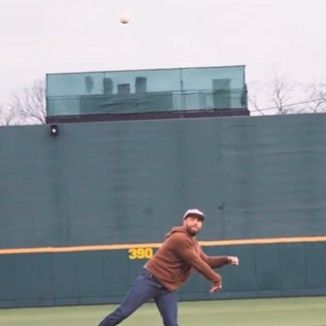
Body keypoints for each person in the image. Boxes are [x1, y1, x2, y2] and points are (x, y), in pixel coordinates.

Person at [98, 208, 239, 326]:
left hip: (166, 289)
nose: (196, 222)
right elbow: (198, 264)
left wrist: (226, 260)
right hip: (150, 281)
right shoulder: (179, 238)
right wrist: (216, 279)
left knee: (171, 323)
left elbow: (206, 261)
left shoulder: (193, 243)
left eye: (199, 220)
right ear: (185, 221)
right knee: (123, 312)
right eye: (192, 219)